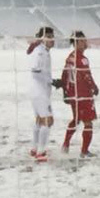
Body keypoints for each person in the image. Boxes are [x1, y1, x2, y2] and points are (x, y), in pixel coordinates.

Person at [61, 31, 99, 158]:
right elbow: (86, 76)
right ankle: (84, 151)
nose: (85, 43)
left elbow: (64, 75)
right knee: (88, 123)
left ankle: (65, 144)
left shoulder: (70, 57)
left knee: (76, 119)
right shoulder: (82, 59)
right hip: (83, 95)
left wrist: (65, 92)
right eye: (83, 41)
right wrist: (94, 87)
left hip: (73, 94)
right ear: (76, 43)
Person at [28, 27, 62, 162]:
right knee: (48, 121)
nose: (51, 39)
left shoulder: (43, 51)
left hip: (36, 91)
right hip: (39, 91)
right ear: (42, 38)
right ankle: (41, 152)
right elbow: (35, 72)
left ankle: (35, 148)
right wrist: (52, 81)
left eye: (52, 36)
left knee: (39, 120)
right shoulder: (40, 53)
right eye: (48, 36)